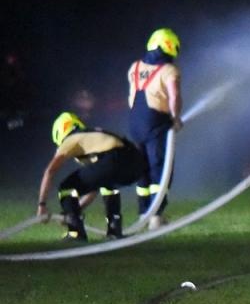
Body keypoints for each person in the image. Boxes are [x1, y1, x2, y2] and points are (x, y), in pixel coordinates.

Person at [35, 112, 149, 241]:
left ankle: (76, 233)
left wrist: (42, 205)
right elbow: (96, 184)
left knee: (66, 187)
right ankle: (114, 230)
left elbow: (50, 171)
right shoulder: (91, 136)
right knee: (107, 184)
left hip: (114, 158)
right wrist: (73, 211)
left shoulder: (71, 140)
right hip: (136, 162)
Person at [128, 27, 183, 229]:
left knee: (142, 169)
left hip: (135, 123)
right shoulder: (169, 71)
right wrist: (176, 118)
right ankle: (156, 217)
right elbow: (174, 96)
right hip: (156, 123)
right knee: (159, 169)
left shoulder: (134, 67)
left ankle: (144, 212)